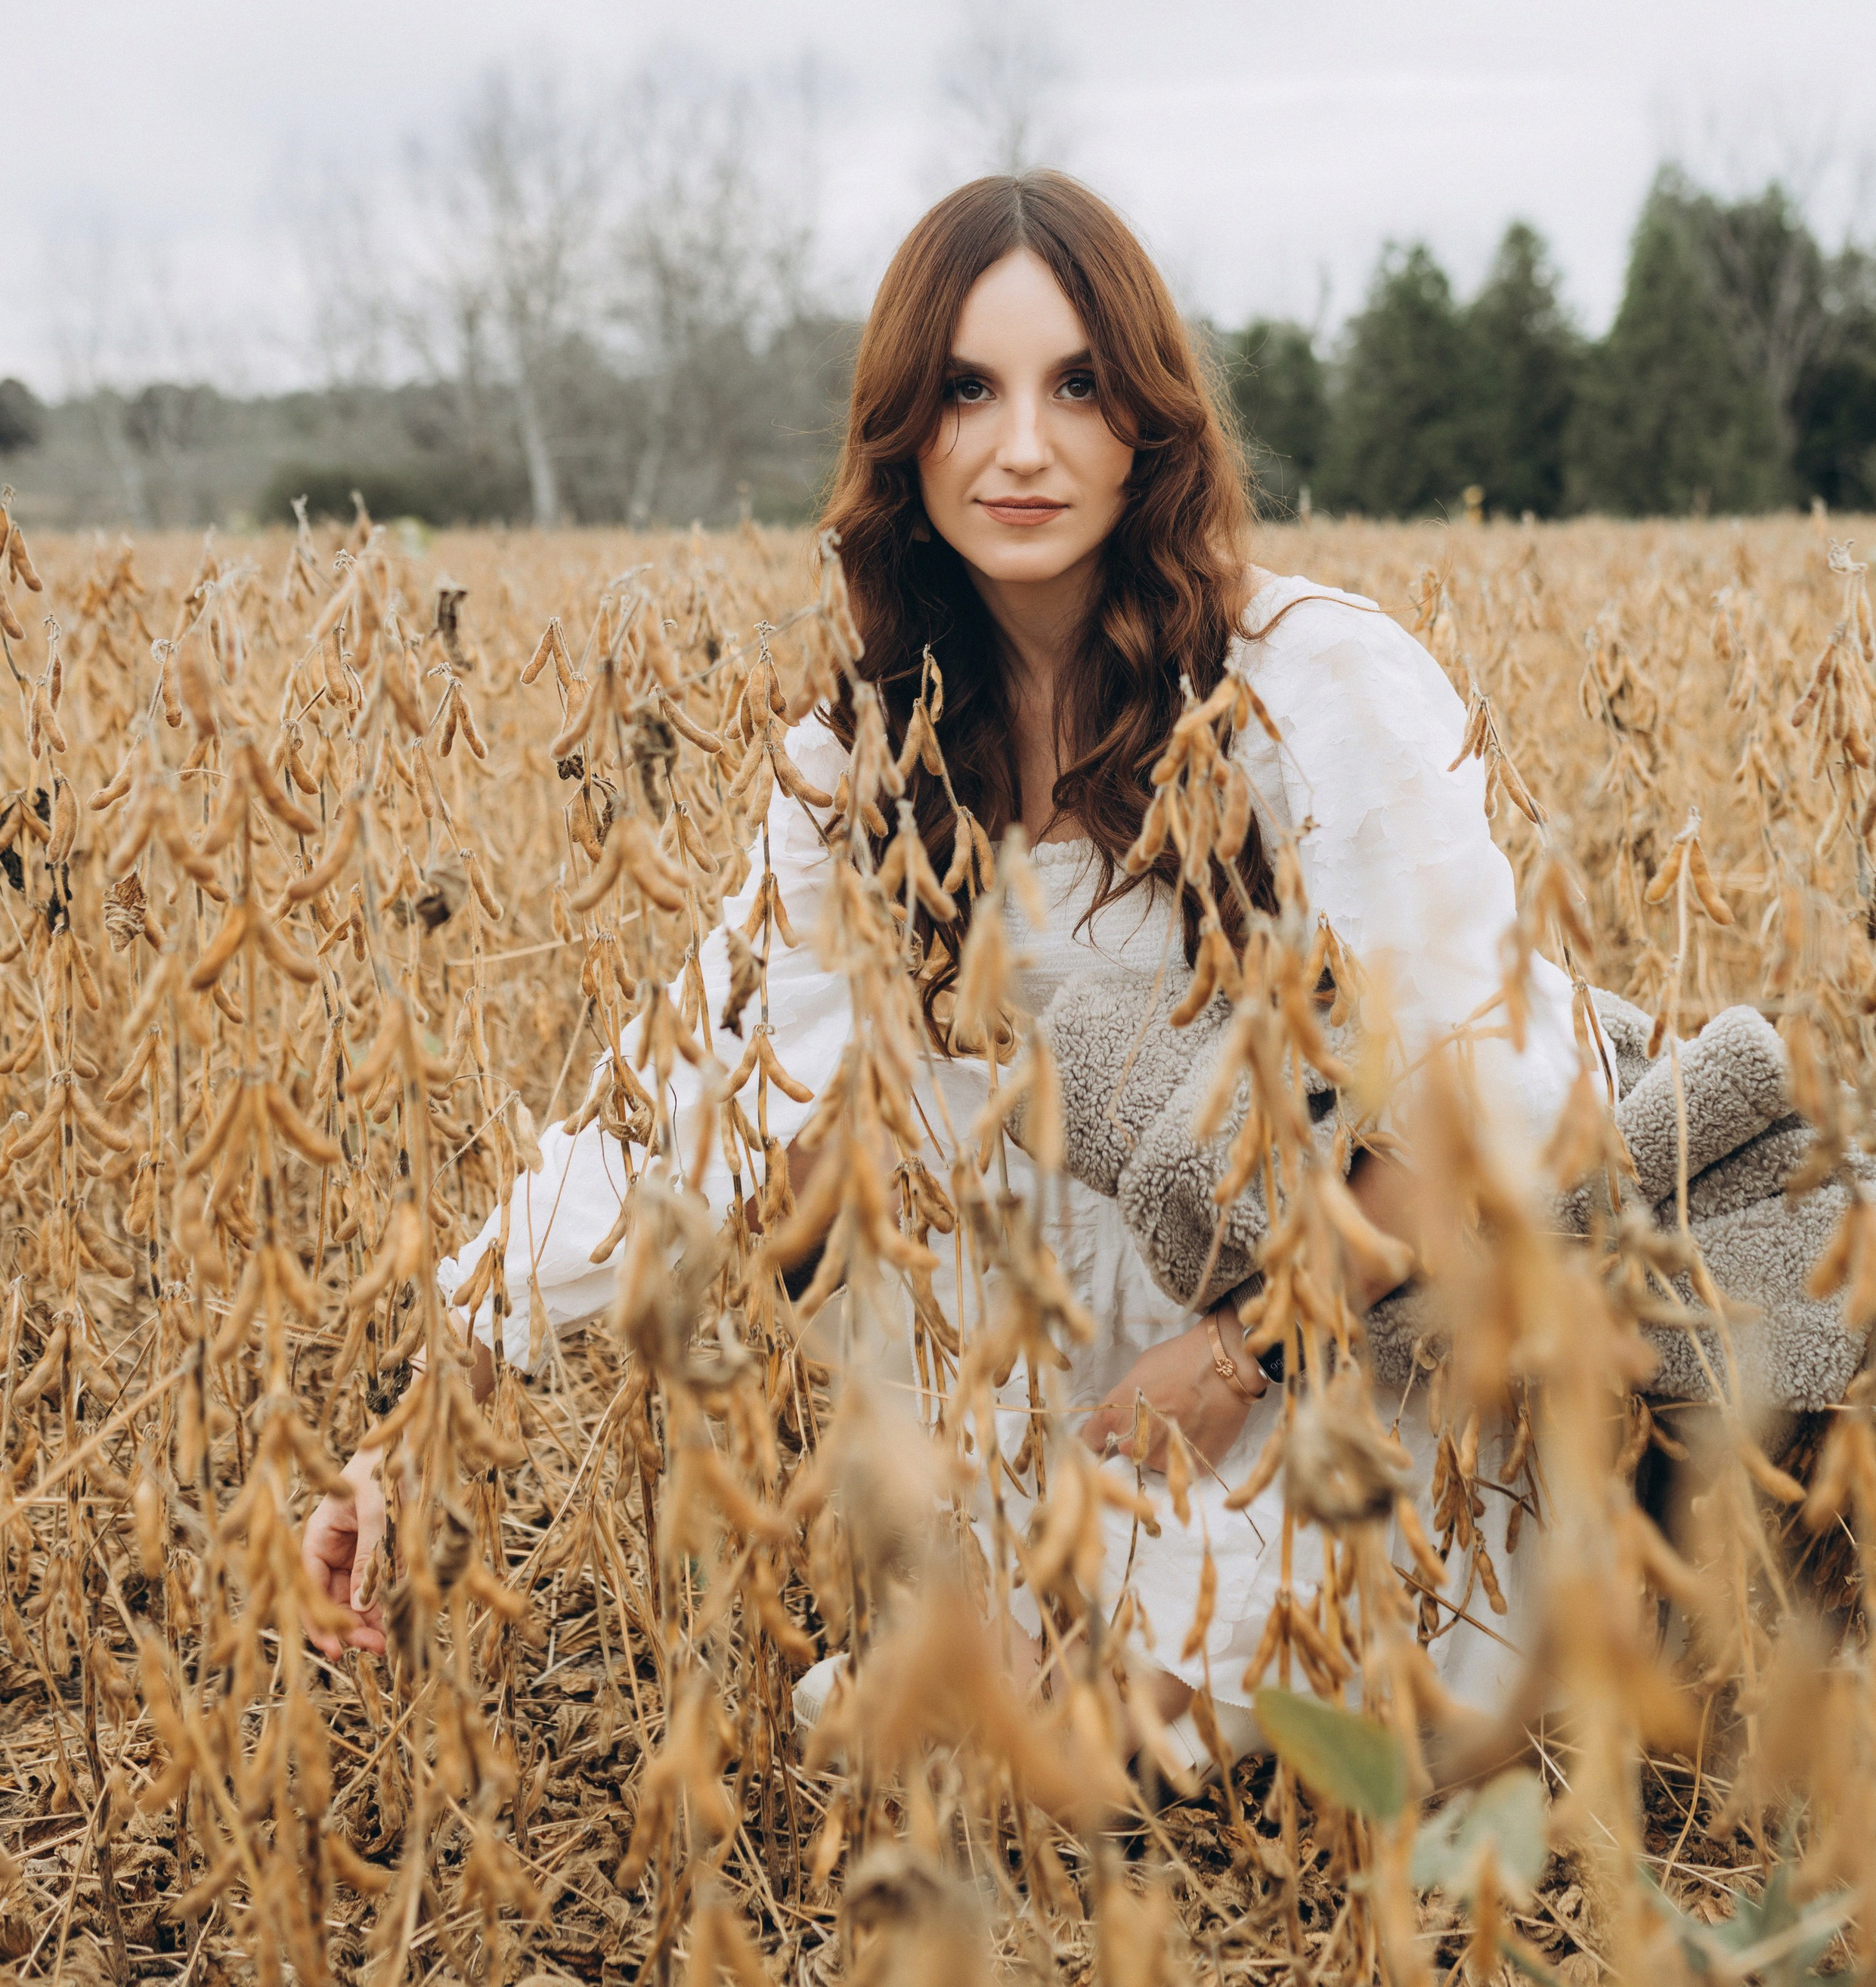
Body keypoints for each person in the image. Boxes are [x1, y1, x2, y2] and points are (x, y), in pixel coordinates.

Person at [303, 172, 1580, 1733]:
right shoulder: (862, 760)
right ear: (904, 430)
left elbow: (1485, 1089)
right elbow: (699, 1084)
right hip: (1100, 1422)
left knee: (1100, 1725)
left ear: (1148, 423)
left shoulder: (1309, 680)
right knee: (909, 1721)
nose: (1022, 445)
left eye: (1077, 386)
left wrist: (1240, 1350)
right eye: (966, 390)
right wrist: (428, 1418)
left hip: (1361, 1365)